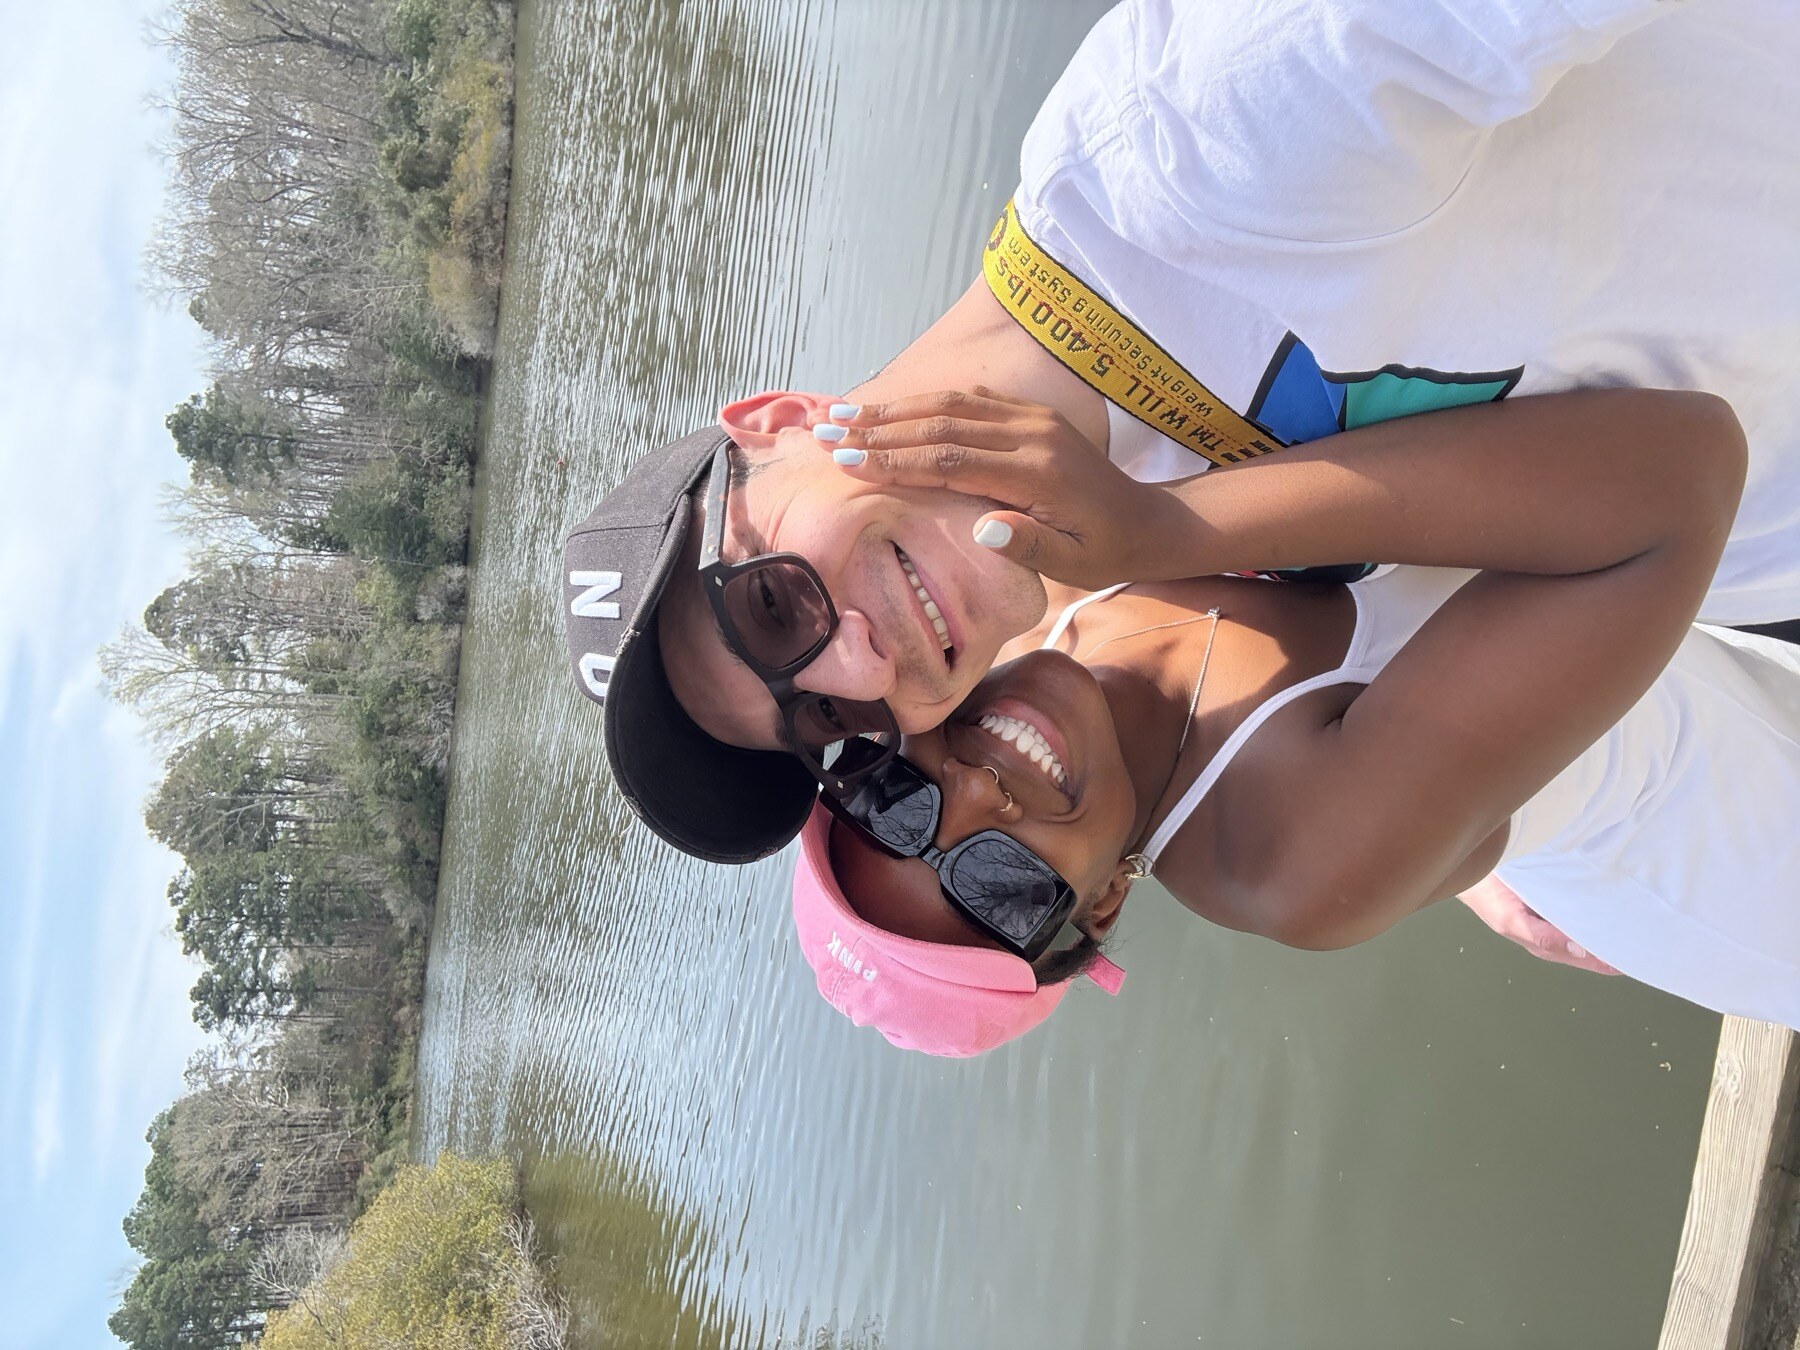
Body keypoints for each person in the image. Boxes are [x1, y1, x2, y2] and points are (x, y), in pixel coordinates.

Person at [562, 0, 1800, 865]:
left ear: (779, 419)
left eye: (771, 604)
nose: (860, 673)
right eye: (826, 727)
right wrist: (1491, 858)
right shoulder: (1081, 540)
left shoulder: (1206, 134)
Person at [786, 386, 1800, 1055]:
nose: (972, 792)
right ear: (1099, 910)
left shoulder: (1028, 612)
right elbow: (1677, 478)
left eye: (900, 804)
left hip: (1706, 663)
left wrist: (1461, 854)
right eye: (995, 885)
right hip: (1733, 852)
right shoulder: (1299, 860)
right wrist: (1163, 526)